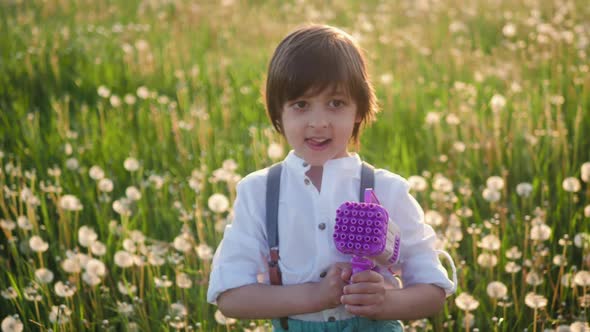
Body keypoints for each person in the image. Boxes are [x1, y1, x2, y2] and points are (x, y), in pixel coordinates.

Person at [207, 24, 456, 331]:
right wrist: (314, 296)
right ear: (277, 114)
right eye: (301, 105)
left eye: (336, 103)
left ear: (359, 111)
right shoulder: (258, 192)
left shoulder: (388, 190)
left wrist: (385, 303)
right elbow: (231, 297)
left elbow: (432, 292)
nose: (319, 122)